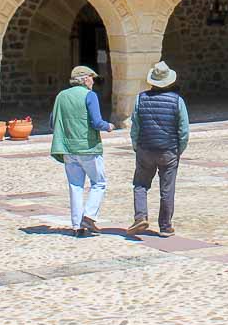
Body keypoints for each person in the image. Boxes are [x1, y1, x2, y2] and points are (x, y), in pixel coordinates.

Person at [126, 60, 189, 237]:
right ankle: (165, 225)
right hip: (168, 150)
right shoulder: (177, 101)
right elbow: (183, 130)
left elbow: (135, 126)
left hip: (145, 148)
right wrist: (178, 150)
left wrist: (135, 145)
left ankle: (140, 216)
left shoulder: (140, 98)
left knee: (140, 184)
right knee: (167, 188)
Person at [49, 64, 113, 237]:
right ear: (85, 79)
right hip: (88, 147)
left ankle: (77, 225)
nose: (93, 81)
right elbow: (96, 122)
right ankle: (90, 215)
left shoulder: (61, 96)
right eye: (91, 78)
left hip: (68, 148)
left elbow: (52, 121)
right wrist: (109, 126)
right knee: (99, 182)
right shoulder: (89, 95)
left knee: (75, 186)